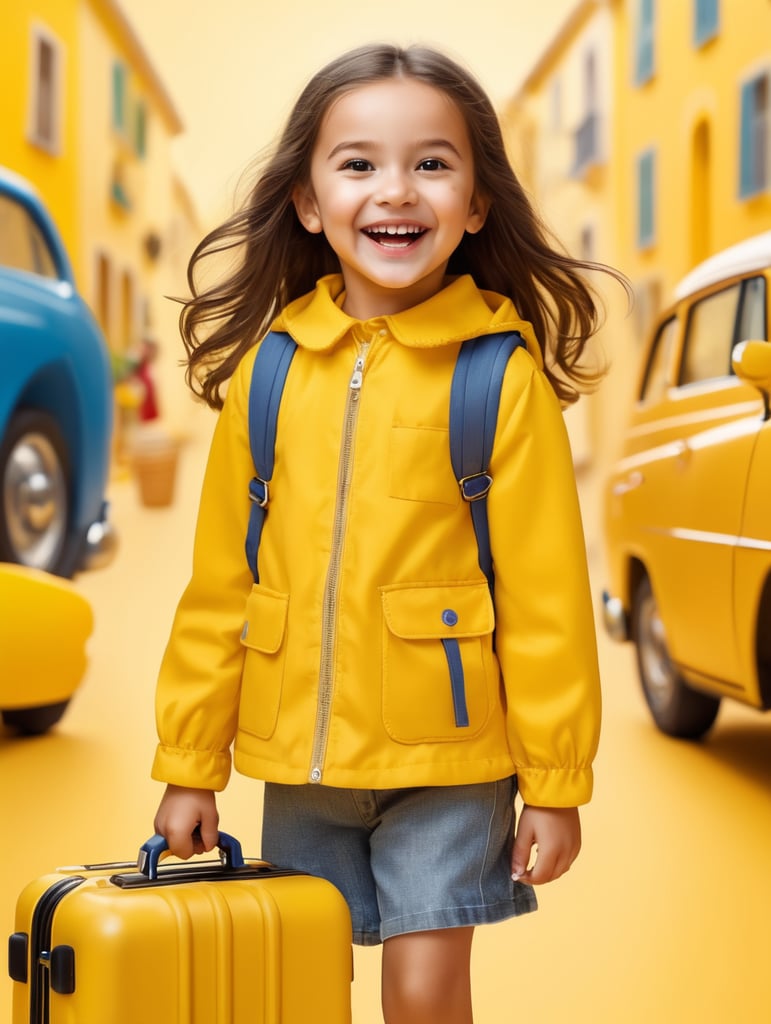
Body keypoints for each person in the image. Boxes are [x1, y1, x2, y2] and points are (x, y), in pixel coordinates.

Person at [151, 44, 625, 1023]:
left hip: (450, 763)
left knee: (421, 986)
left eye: (433, 163)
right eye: (358, 163)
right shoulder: (272, 373)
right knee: (306, 979)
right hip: (302, 766)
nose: (395, 191)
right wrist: (189, 763)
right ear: (309, 201)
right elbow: (220, 588)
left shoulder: (501, 377)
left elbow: (546, 603)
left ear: (479, 200)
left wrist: (555, 781)